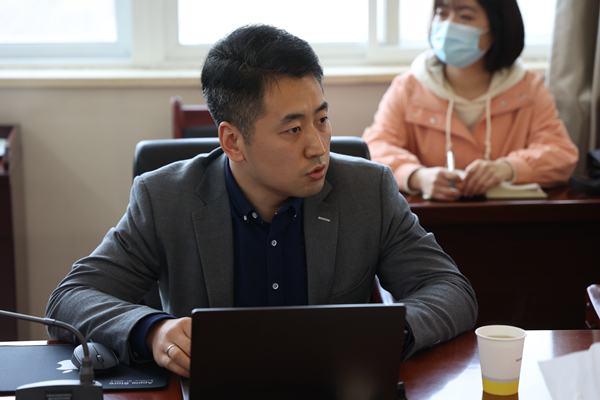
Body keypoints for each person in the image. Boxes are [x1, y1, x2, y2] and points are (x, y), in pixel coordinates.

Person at [45, 24, 477, 378]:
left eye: (322, 119)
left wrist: (390, 333)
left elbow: (451, 290)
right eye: (293, 130)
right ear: (233, 141)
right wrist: (153, 330)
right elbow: (71, 297)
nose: (318, 147)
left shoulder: (369, 190)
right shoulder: (165, 198)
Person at [363, 0, 578, 201]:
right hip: (428, 220)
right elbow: (374, 148)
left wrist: (507, 169)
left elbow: (561, 153)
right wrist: (417, 176)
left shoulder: (529, 88)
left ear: (497, 27)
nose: (448, 24)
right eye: (442, 12)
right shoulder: (408, 87)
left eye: (465, 16)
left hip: (508, 218)